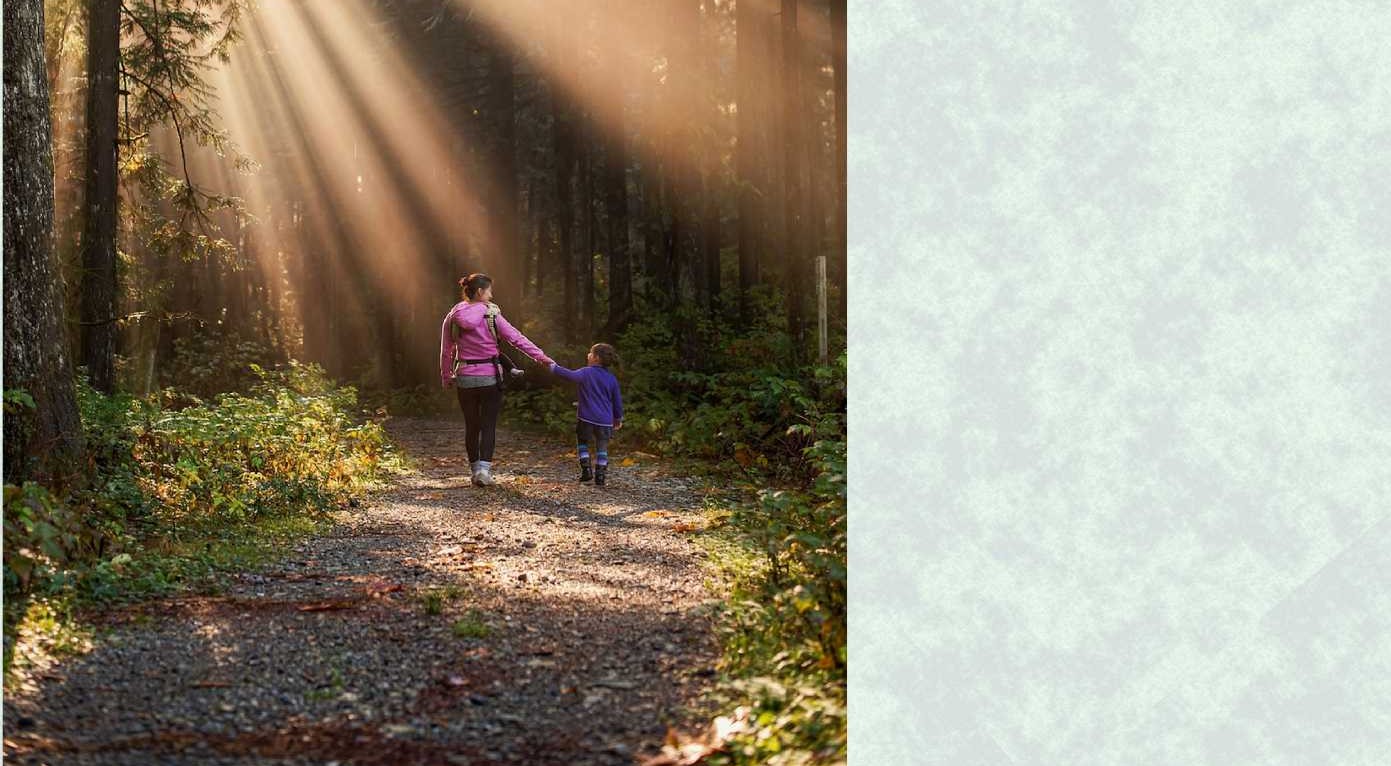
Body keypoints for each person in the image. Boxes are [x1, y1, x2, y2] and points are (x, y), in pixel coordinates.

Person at [440, 273, 553, 486]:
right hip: (489, 377)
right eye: (489, 290)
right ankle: (484, 471)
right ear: (481, 292)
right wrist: (541, 357)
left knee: (471, 425)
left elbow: (446, 350)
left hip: (464, 377)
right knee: (488, 424)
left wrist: (446, 375)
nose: (491, 295)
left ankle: (474, 471)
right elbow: (517, 339)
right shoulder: (491, 315)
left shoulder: (453, 315)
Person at [548, 344, 623, 486]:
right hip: (605, 421)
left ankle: (586, 470)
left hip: (586, 418)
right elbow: (617, 401)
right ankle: (600, 476)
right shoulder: (612, 379)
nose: (587, 355)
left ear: (596, 358)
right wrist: (617, 418)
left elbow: (569, 375)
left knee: (582, 442)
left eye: (590, 353)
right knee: (602, 447)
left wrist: (553, 367)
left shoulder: (586, 372)